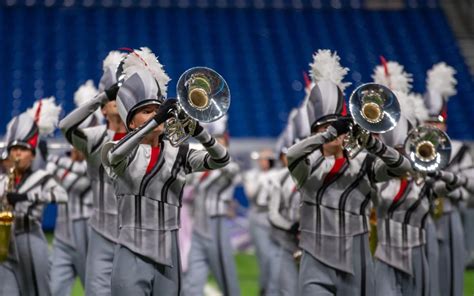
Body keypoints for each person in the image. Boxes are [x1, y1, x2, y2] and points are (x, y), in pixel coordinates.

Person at [100, 48, 230, 295]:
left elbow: (222, 159)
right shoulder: (117, 149)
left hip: (169, 251)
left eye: (157, 109)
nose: (155, 115)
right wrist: (155, 120)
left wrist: (199, 131)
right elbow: (116, 155)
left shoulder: (179, 152)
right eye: (146, 111)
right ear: (131, 121)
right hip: (130, 248)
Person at [288, 49, 412, 295]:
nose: (333, 132)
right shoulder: (308, 167)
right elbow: (292, 154)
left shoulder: (363, 163)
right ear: (316, 134)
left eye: (336, 126)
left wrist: (374, 144)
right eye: (323, 128)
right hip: (316, 256)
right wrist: (328, 133)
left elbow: (404, 167)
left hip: (357, 258)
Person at [59, 50, 126, 296]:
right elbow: (66, 126)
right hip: (100, 233)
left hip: (135, 234)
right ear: (103, 109)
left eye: (121, 96)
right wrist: (100, 98)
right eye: (112, 97)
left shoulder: (142, 138)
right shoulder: (94, 138)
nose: (115, 101)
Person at [0, 99, 67, 296]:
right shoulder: (3, 179)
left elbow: (61, 196)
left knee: (38, 291)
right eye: (14, 150)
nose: (17, 154)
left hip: (31, 239)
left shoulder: (42, 177)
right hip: (6, 242)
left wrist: (26, 196)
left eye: (22, 149)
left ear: (32, 154)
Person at [423, 62, 474, 296]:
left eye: (438, 121)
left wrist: (448, 187)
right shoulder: (415, 149)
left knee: (451, 280)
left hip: (449, 216)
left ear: (445, 122)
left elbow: (471, 187)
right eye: (429, 121)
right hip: (421, 220)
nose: (434, 126)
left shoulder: (460, 150)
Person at [184, 117, 241, 296]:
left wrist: (217, 152)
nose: (215, 145)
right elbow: (186, 179)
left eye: (219, 142)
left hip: (216, 224)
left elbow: (230, 170)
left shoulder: (232, 166)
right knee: (193, 279)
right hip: (198, 227)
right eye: (214, 141)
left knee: (225, 276)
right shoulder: (201, 168)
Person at [47, 147, 92, 295]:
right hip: (61, 234)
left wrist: (55, 161)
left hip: (86, 232)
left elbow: (75, 185)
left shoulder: (94, 163)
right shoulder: (69, 162)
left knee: (93, 287)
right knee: (55, 289)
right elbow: (49, 181)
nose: (76, 149)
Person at [242, 148, 279, 296]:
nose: (263, 161)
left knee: (275, 258)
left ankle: (271, 289)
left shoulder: (278, 174)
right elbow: (252, 193)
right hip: (258, 216)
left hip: (274, 217)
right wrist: (263, 178)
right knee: (264, 257)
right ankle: (266, 289)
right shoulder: (252, 175)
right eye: (261, 159)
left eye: (266, 158)